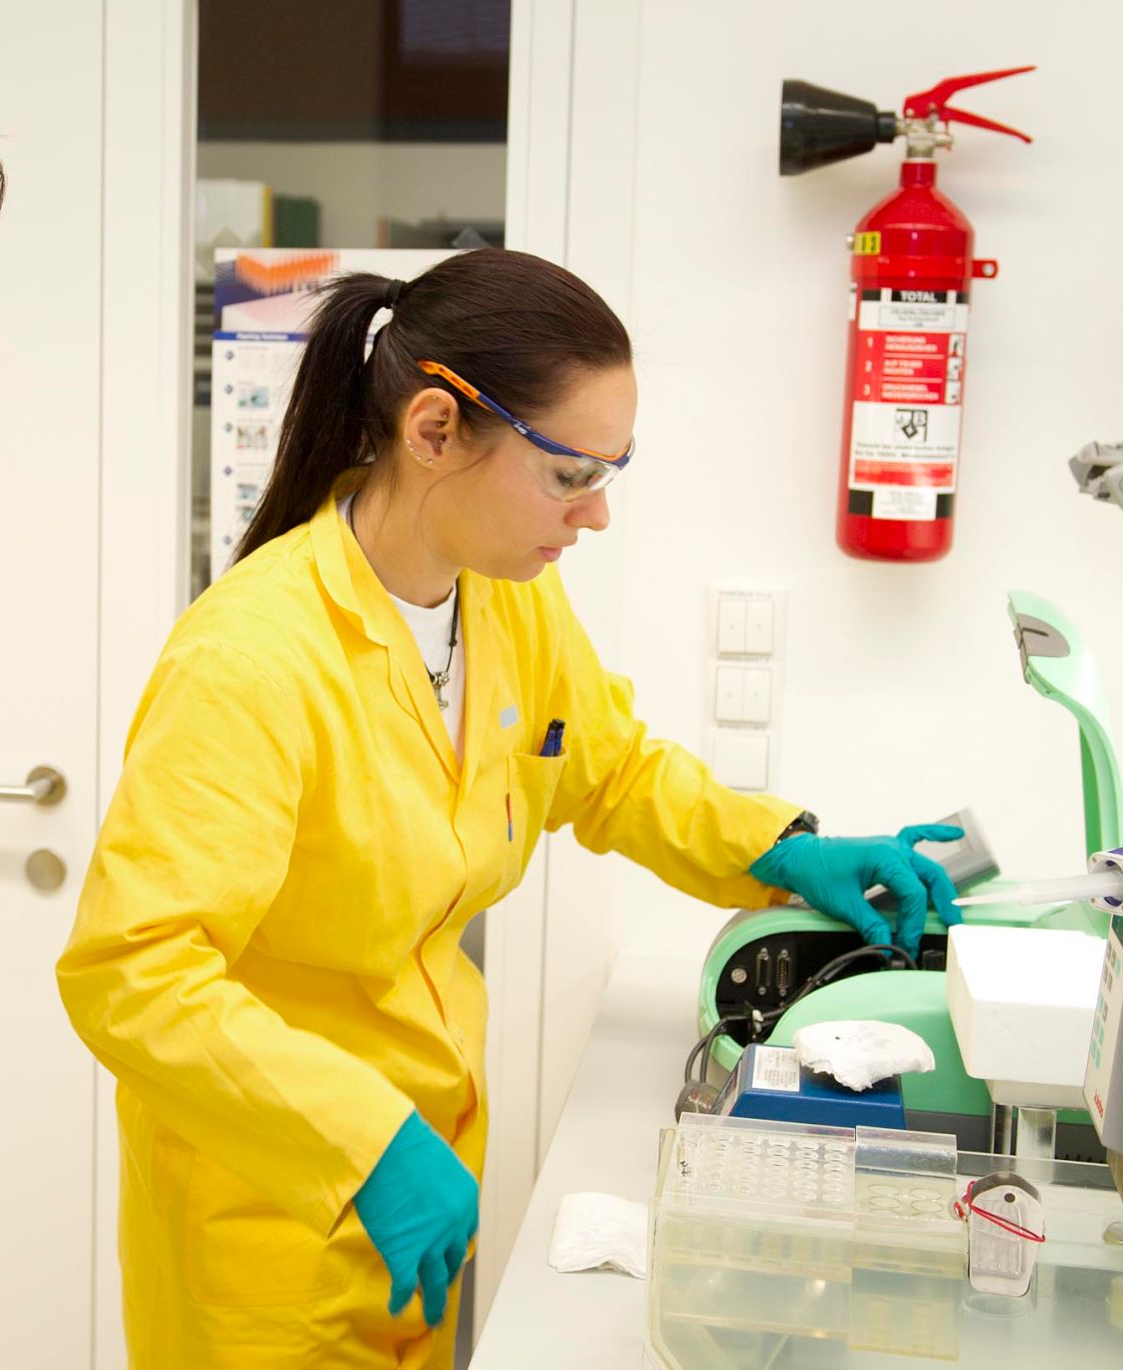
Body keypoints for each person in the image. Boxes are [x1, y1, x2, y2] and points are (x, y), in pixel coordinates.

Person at [57, 249, 961, 1368]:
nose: (593, 515)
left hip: (422, 1170)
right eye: (569, 473)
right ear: (433, 430)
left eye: (610, 472)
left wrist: (786, 851)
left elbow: (611, 769)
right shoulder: (249, 657)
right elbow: (132, 970)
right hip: (270, 1202)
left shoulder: (503, 605)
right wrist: (365, 1141)